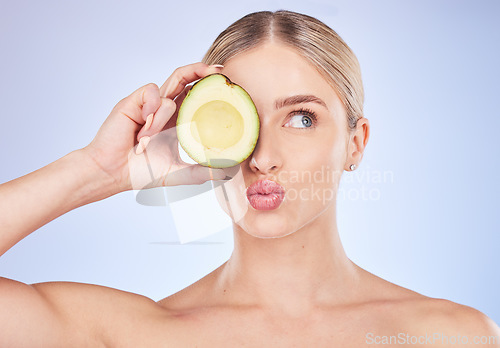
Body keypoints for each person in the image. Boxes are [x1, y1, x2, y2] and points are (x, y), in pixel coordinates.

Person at [0, 9, 498, 347]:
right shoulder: (139, 334)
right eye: (241, 121)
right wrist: (100, 172)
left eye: (301, 117)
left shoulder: (449, 335)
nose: (262, 158)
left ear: (356, 143)